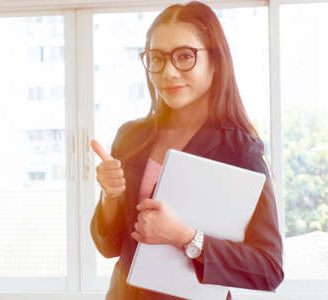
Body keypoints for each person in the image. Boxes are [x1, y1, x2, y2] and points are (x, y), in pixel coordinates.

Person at [89, 1, 284, 300]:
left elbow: (269, 270)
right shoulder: (131, 137)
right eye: (156, 58)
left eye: (184, 56)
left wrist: (186, 238)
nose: (167, 72)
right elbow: (109, 247)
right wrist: (110, 196)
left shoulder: (240, 151)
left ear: (216, 61)